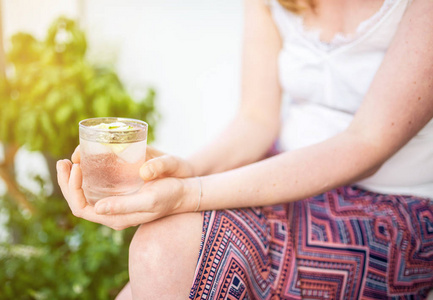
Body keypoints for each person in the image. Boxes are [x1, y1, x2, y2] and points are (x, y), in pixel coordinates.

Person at [56, 0, 433, 298]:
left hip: (396, 208)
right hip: (283, 176)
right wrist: (184, 168)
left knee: (160, 252)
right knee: (156, 262)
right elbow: (256, 120)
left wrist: (190, 192)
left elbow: (366, 143)